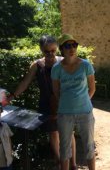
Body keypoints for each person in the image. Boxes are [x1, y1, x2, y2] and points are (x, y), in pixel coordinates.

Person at [7, 35, 77, 169]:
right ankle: (60, 162)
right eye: (47, 51)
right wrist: (12, 96)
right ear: (41, 50)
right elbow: (25, 83)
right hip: (46, 104)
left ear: (57, 48)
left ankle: (73, 164)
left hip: (65, 103)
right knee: (53, 133)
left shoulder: (64, 61)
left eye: (53, 50)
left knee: (69, 133)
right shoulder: (37, 65)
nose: (50, 53)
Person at [51, 34, 96, 170]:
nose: (72, 48)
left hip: (85, 112)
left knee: (89, 146)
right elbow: (56, 91)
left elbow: (92, 88)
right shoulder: (56, 68)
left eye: (74, 45)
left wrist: (82, 101)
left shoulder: (86, 65)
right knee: (64, 148)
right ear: (62, 49)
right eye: (68, 46)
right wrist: (67, 103)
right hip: (65, 113)